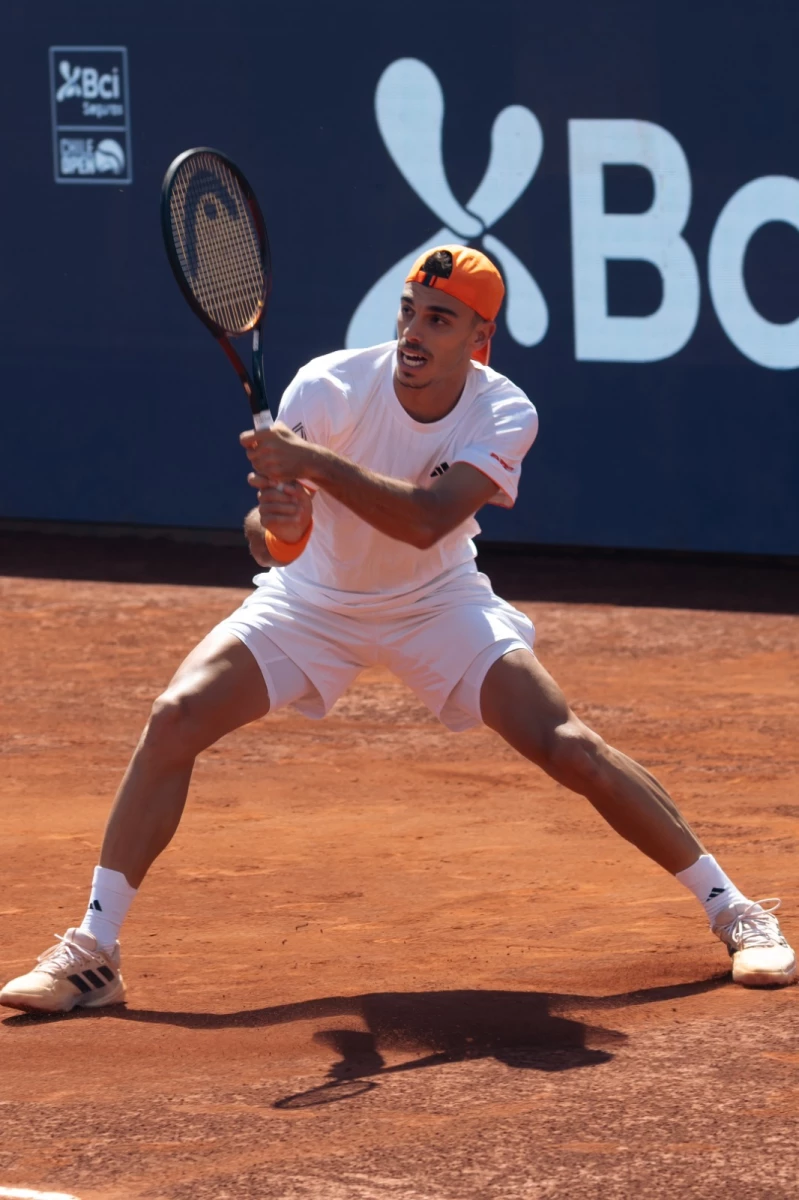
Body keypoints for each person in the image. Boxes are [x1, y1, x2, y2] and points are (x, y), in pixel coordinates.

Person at [1, 245, 794, 1014]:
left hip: (435, 601)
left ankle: (734, 910)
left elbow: (426, 522)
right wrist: (280, 526)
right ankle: (94, 951)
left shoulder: (503, 410)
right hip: (311, 602)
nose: (414, 333)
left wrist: (313, 466)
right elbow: (266, 535)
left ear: (479, 336)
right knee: (175, 716)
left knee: (568, 746)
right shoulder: (329, 386)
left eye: (439, 320)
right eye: (409, 311)